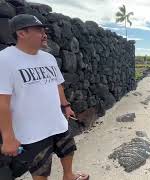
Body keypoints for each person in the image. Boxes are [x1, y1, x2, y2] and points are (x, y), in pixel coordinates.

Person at [0, 14, 89, 180]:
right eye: (39, 30)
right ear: (21, 33)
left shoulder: (48, 58)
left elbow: (57, 85)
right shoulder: (4, 60)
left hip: (56, 121)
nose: (45, 34)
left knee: (68, 149)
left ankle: (68, 176)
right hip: (31, 130)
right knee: (41, 168)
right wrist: (8, 137)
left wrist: (66, 106)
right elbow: (2, 103)